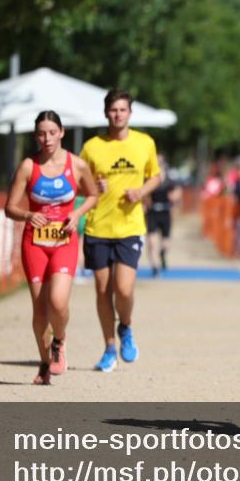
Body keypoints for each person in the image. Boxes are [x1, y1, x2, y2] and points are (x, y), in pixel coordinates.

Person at [4, 111, 98, 385]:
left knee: (58, 302)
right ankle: (45, 363)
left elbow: (93, 195)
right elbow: (9, 207)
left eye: (52, 132)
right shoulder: (27, 166)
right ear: (36, 136)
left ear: (62, 132)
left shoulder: (77, 165)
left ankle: (59, 341)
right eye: (41, 133)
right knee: (39, 310)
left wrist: (77, 214)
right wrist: (27, 215)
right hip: (34, 243)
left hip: (64, 242)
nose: (46, 139)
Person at [80, 88, 162, 372]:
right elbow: (78, 181)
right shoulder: (92, 147)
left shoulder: (144, 143)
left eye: (122, 110)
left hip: (129, 226)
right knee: (103, 290)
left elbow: (156, 176)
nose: (118, 115)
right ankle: (109, 348)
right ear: (106, 113)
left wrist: (141, 191)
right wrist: (93, 186)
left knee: (123, 289)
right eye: (113, 110)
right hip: (98, 226)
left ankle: (125, 327)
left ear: (130, 113)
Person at [144, 154, 182, 276]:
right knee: (152, 241)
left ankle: (162, 254)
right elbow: (143, 193)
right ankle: (154, 266)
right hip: (152, 212)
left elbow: (177, 192)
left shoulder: (170, 179)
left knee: (166, 244)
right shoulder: (148, 178)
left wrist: (174, 198)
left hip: (165, 211)